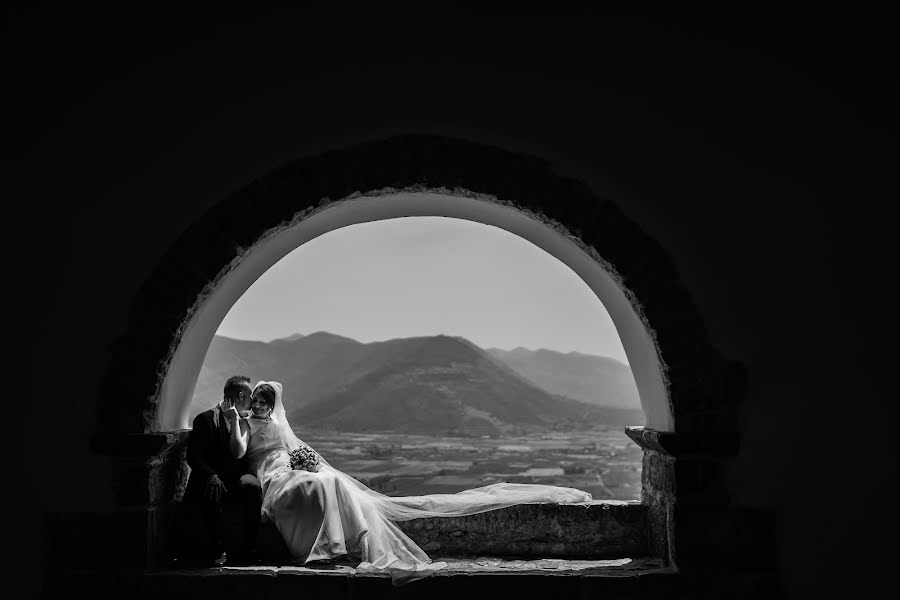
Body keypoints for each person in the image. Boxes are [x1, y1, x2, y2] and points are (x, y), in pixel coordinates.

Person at [227, 380, 593, 585]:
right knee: (311, 488)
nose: (259, 403)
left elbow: (297, 448)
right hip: (268, 473)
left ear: (273, 403)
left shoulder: (278, 424)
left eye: (265, 400)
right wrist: (234, 421)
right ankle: (314, 547)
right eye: (256, 398)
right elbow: (239, 449)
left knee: (329, 484)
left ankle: (342, 543)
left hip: (288, 467)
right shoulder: (243, 422)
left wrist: (313, 464)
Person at [182, 375, 263, 566]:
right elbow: (194, 456)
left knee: (252, 490)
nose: (253, 401)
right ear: (242, 395)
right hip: (213, 479)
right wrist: (211, 476)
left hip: (235, 480)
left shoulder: (246, 421)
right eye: (251, 396)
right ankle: (211, 550)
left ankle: (249, 549)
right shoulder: (206, 419)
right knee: (210, 492)